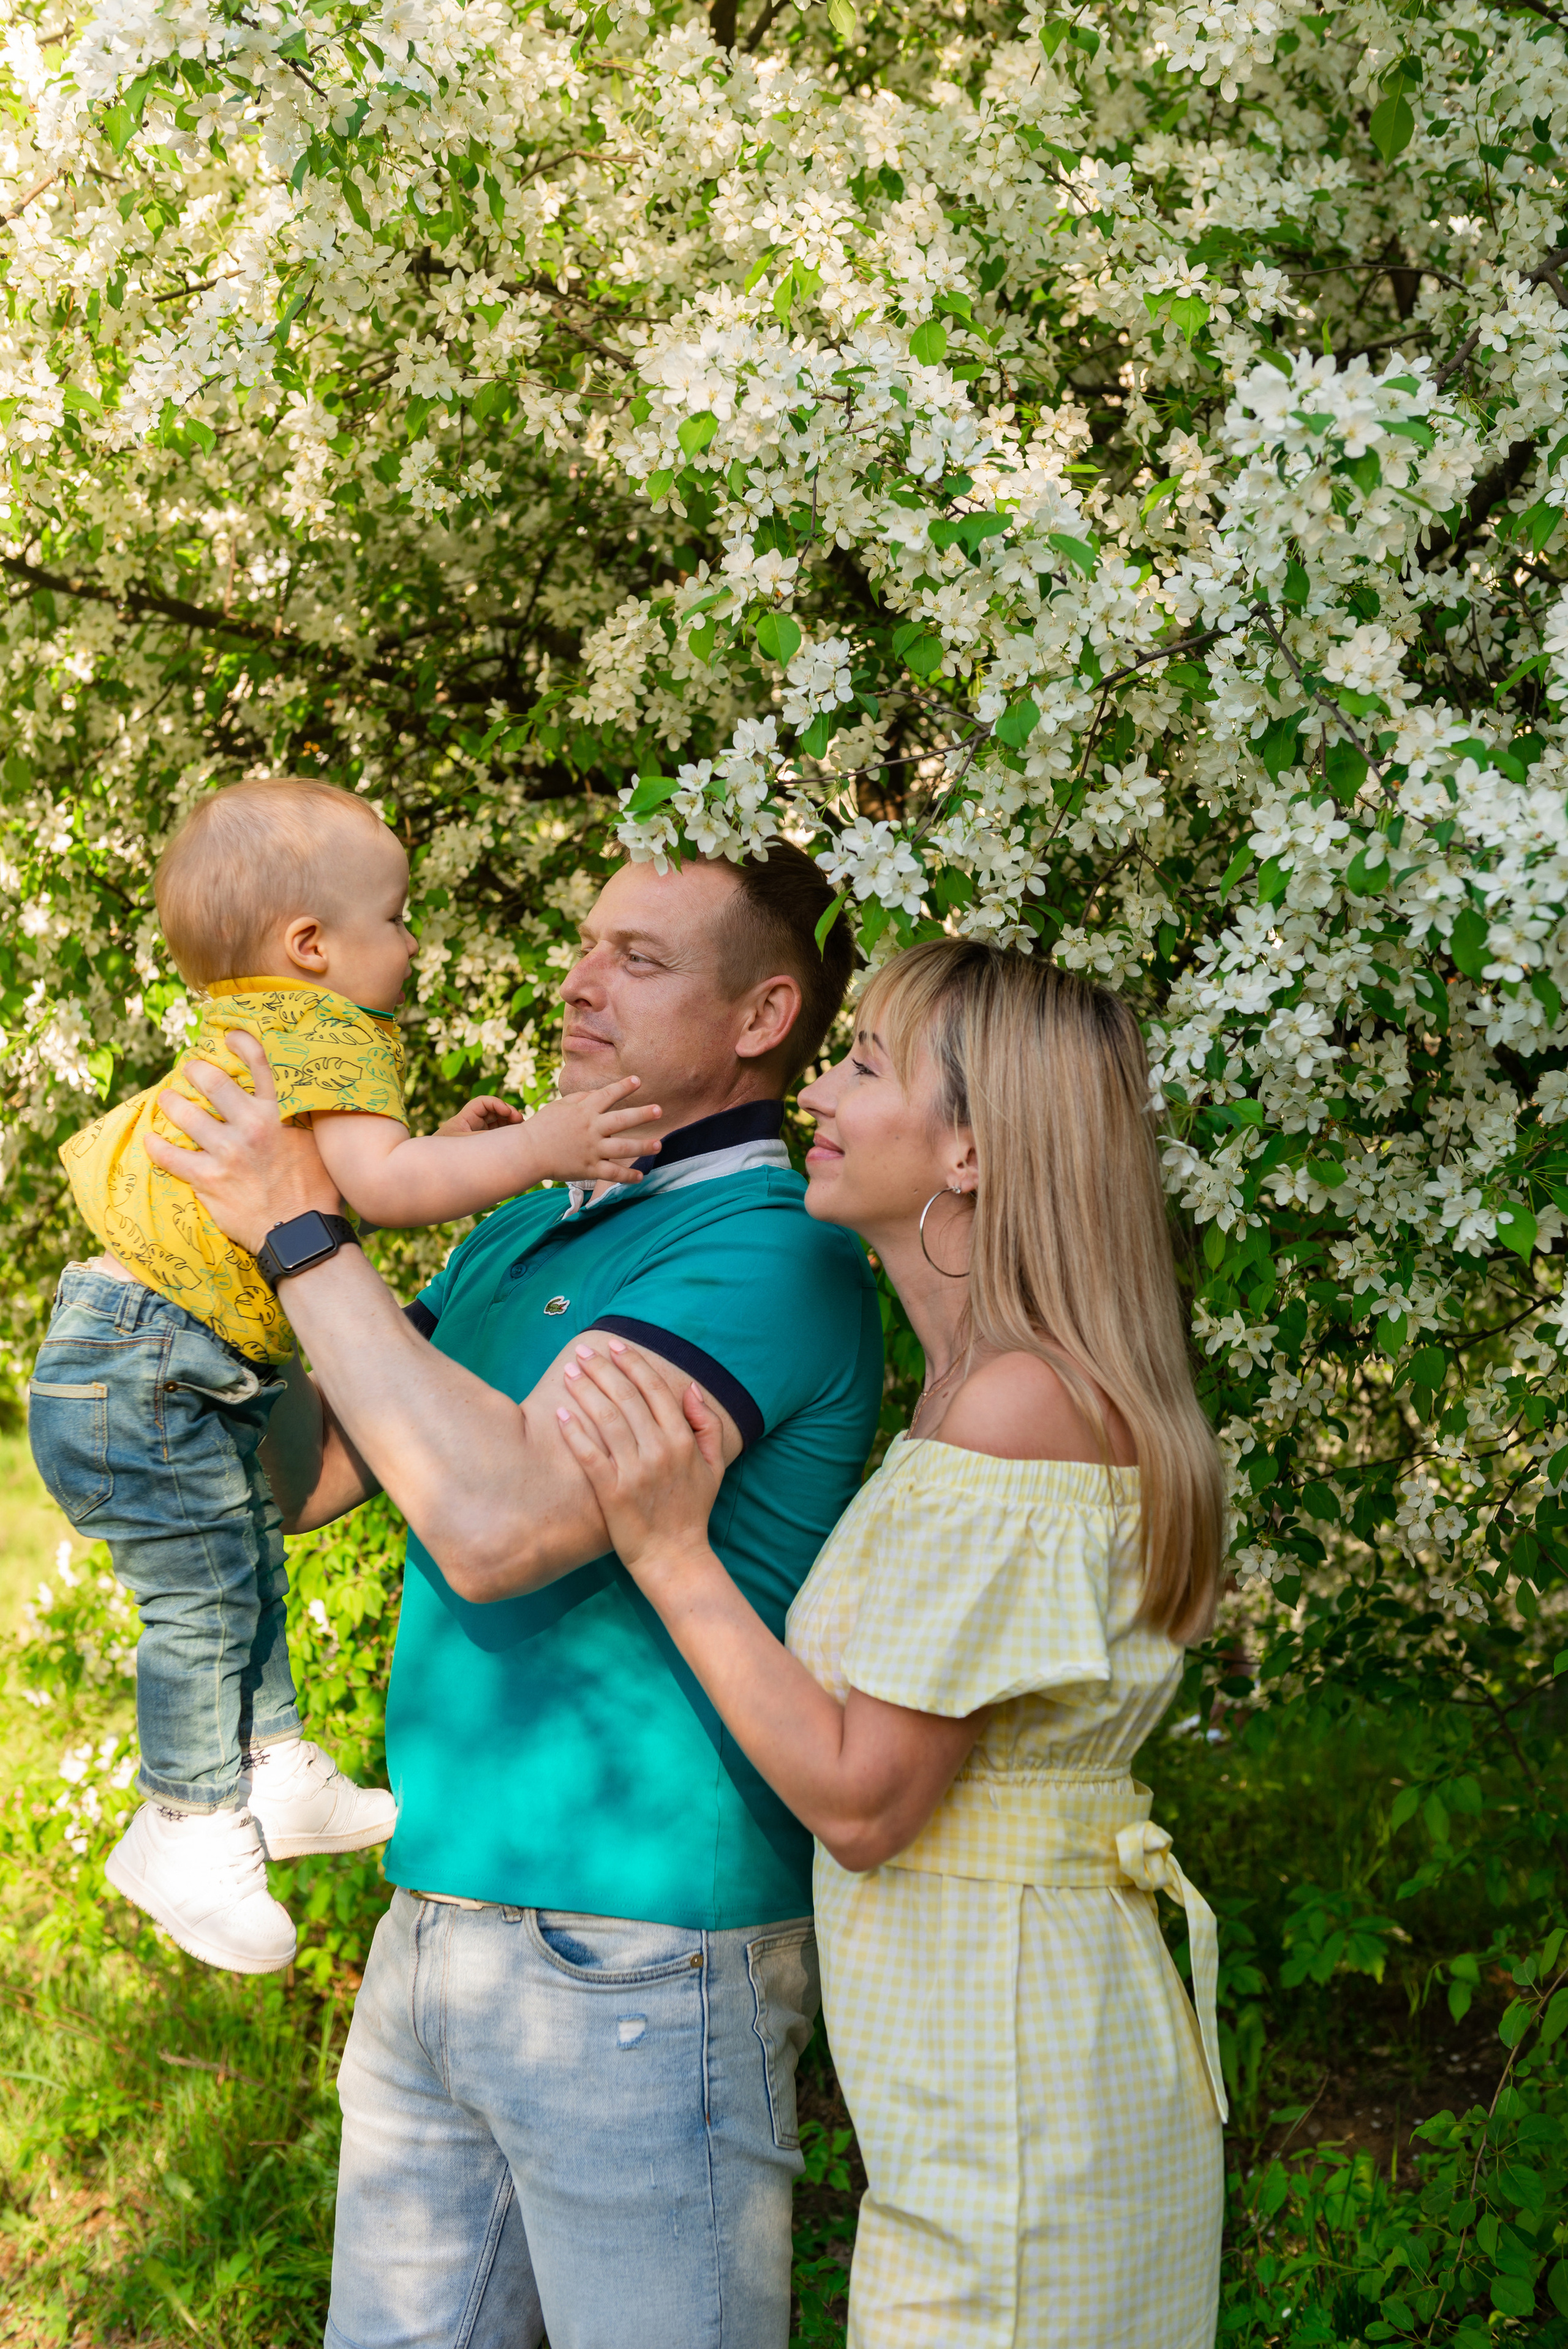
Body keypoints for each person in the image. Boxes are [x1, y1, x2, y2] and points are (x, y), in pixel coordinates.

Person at [140, 841, 882, 2349]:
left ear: (762, 1017)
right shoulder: (526, 1220)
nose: (579, 981)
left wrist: (303, 1232)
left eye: (638, 959)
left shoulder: (768, 1251)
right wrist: (203, 1286)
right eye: (586, 944)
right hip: (435, 1916)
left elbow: (496, 1525)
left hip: (644, 1950)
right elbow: (313, 1477)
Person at [555, 937, 1230, 2349]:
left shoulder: (1016, 1412)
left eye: (864, 1065)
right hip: (1004, 2073)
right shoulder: (976, 1398)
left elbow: (866, 1802)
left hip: (1015, 2108)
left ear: (968, 1152)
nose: (817, 1091)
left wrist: (669, 1552)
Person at [29, 775, 663, 1976]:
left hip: (134, 1347)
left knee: (241, 1560)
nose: (414, 943)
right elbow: (377, 1188)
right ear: (313, 946)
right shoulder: (327, 1030)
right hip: (147, 1355)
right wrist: (543, 1146)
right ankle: (184, 1823)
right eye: (398, 918)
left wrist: (448, 1152)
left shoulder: (268, 1025)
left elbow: (339, 1180)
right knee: (204, 1598)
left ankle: (270, 1763)